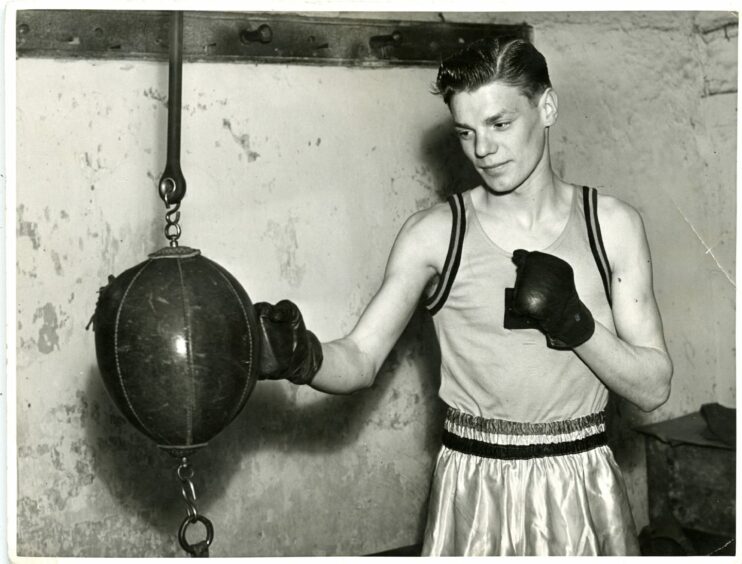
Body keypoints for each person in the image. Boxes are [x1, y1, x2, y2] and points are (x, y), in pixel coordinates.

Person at [254, 36, 673, 557]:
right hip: (475, 487)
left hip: (581, 482)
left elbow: (654, 387)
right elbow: (360, 359)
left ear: (547, 107)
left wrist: (575, 324)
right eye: (466, 132)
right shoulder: (435, 234)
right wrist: (299, 355)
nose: (483, 149)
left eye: (500, 124)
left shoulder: (611, 225)